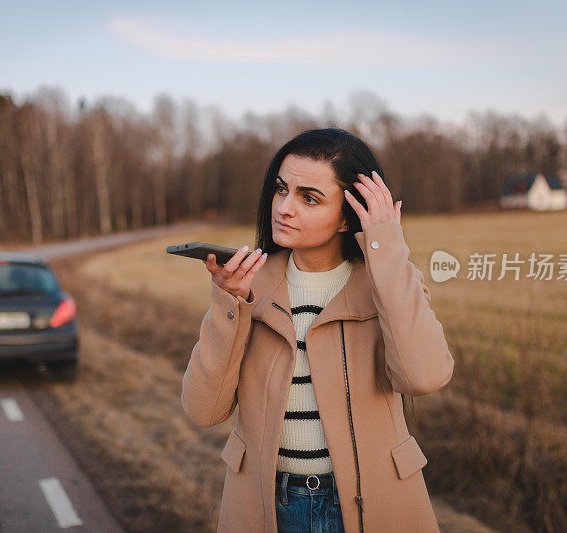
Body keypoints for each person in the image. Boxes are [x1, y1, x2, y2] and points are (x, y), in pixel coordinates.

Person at [181, 128, 455, 532]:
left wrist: (388, 249)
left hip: (374, 508)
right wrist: (229, 302)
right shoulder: (247, 285)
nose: (284, 208)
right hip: (267, 508)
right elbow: (203, 410)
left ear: (348, 218)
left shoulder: (388, 283)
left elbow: (424, 376)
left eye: (308, 198)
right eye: (281, 189)